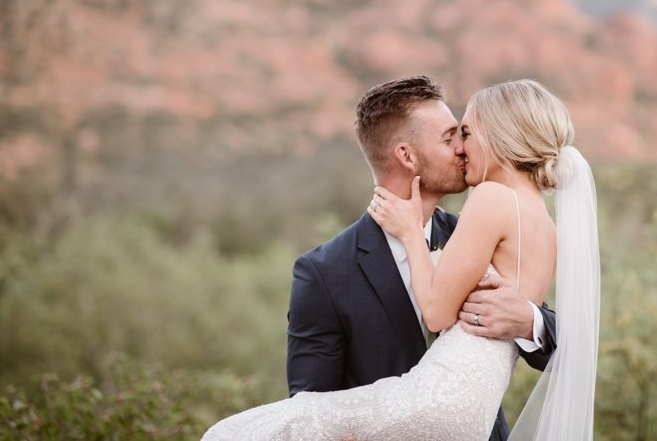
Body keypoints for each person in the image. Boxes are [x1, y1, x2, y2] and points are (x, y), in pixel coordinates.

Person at [203, 78, 600, 440]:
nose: (462, 148)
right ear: (407, 156)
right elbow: (313, 399)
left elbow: (569, 339)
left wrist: (529, 320)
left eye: (465, 133)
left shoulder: (481, 223)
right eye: (451, 138)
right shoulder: (323, 272)